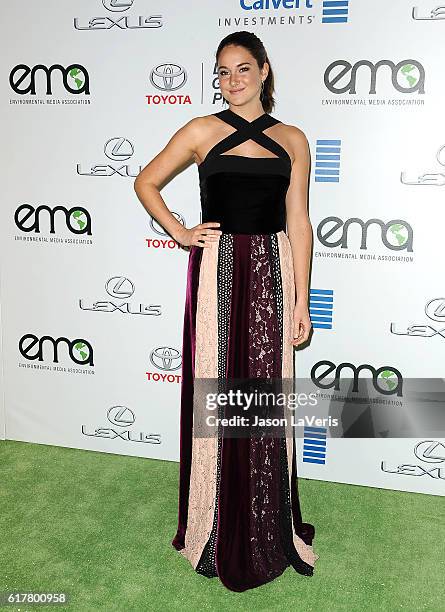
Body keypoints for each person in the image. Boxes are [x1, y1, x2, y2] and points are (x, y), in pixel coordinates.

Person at [134, 30, 318, 592]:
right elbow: (146, 182)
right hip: (217, 274)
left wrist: (301, 298)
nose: (231, 81)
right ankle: (213, 525)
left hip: (271, 271)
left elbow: (300, 223)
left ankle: (265, 525)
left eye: (241, 69)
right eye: (222, 71)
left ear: (264, 71)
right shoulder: (200, 130)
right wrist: (181, 231)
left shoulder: (292, 139)